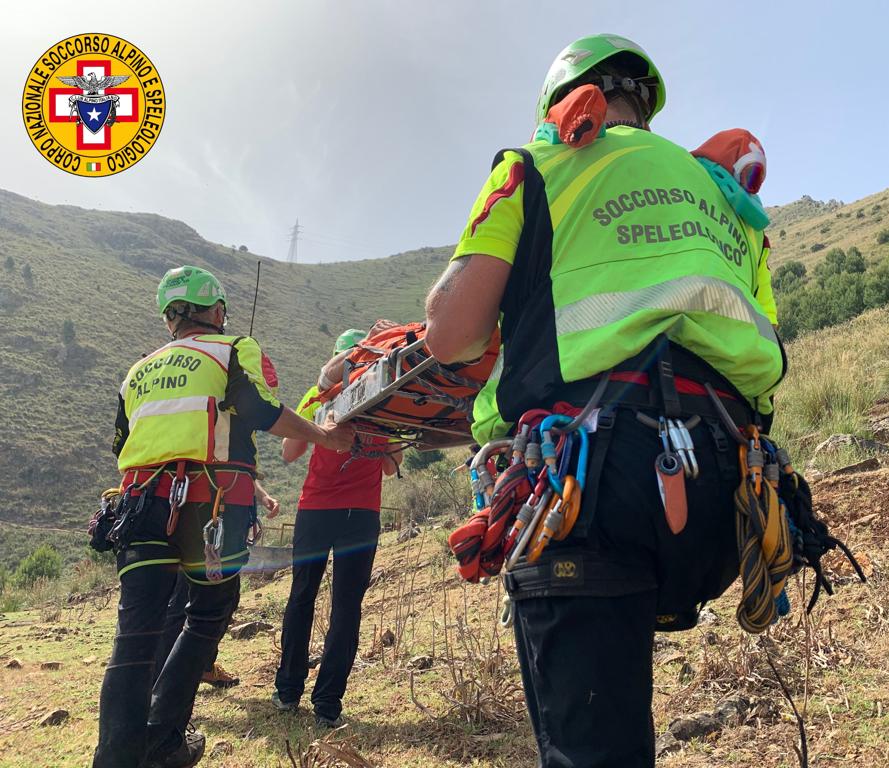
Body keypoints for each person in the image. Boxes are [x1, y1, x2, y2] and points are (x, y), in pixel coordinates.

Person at [425, 34, 785, 767]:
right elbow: (764, 349)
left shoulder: (537, 164)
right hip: (727, 491)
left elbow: (449, 333)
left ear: (563, 101)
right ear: (644, 103)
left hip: (592, 481)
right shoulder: (727, 200)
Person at [94, 265, 354, 768]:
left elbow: (123, 444)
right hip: (210, 506)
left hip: (136, 507)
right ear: (215, 311)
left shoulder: (137, 370)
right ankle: (164, 736)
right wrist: (325, 436)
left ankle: (114, 757)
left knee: (134, 635)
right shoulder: (234, 347)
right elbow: (258, 408)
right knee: (209, 611)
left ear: (170, 317)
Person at [271, 330, 403, 728]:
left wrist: (320, 426)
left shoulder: (317, 396)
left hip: (315, 510)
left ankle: (288, 690)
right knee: (347, 607)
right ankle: (328, 702)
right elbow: (391, 467)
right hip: (360, 515)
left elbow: (289, 453)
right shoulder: (386, 400)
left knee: (302, 597)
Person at [154, 481, 280, 690]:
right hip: (205, 523)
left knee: (226, 601)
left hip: (224, 526)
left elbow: (244, 471)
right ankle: (162, 682)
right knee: (185, 605)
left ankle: (202, 666)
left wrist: (262, 496)